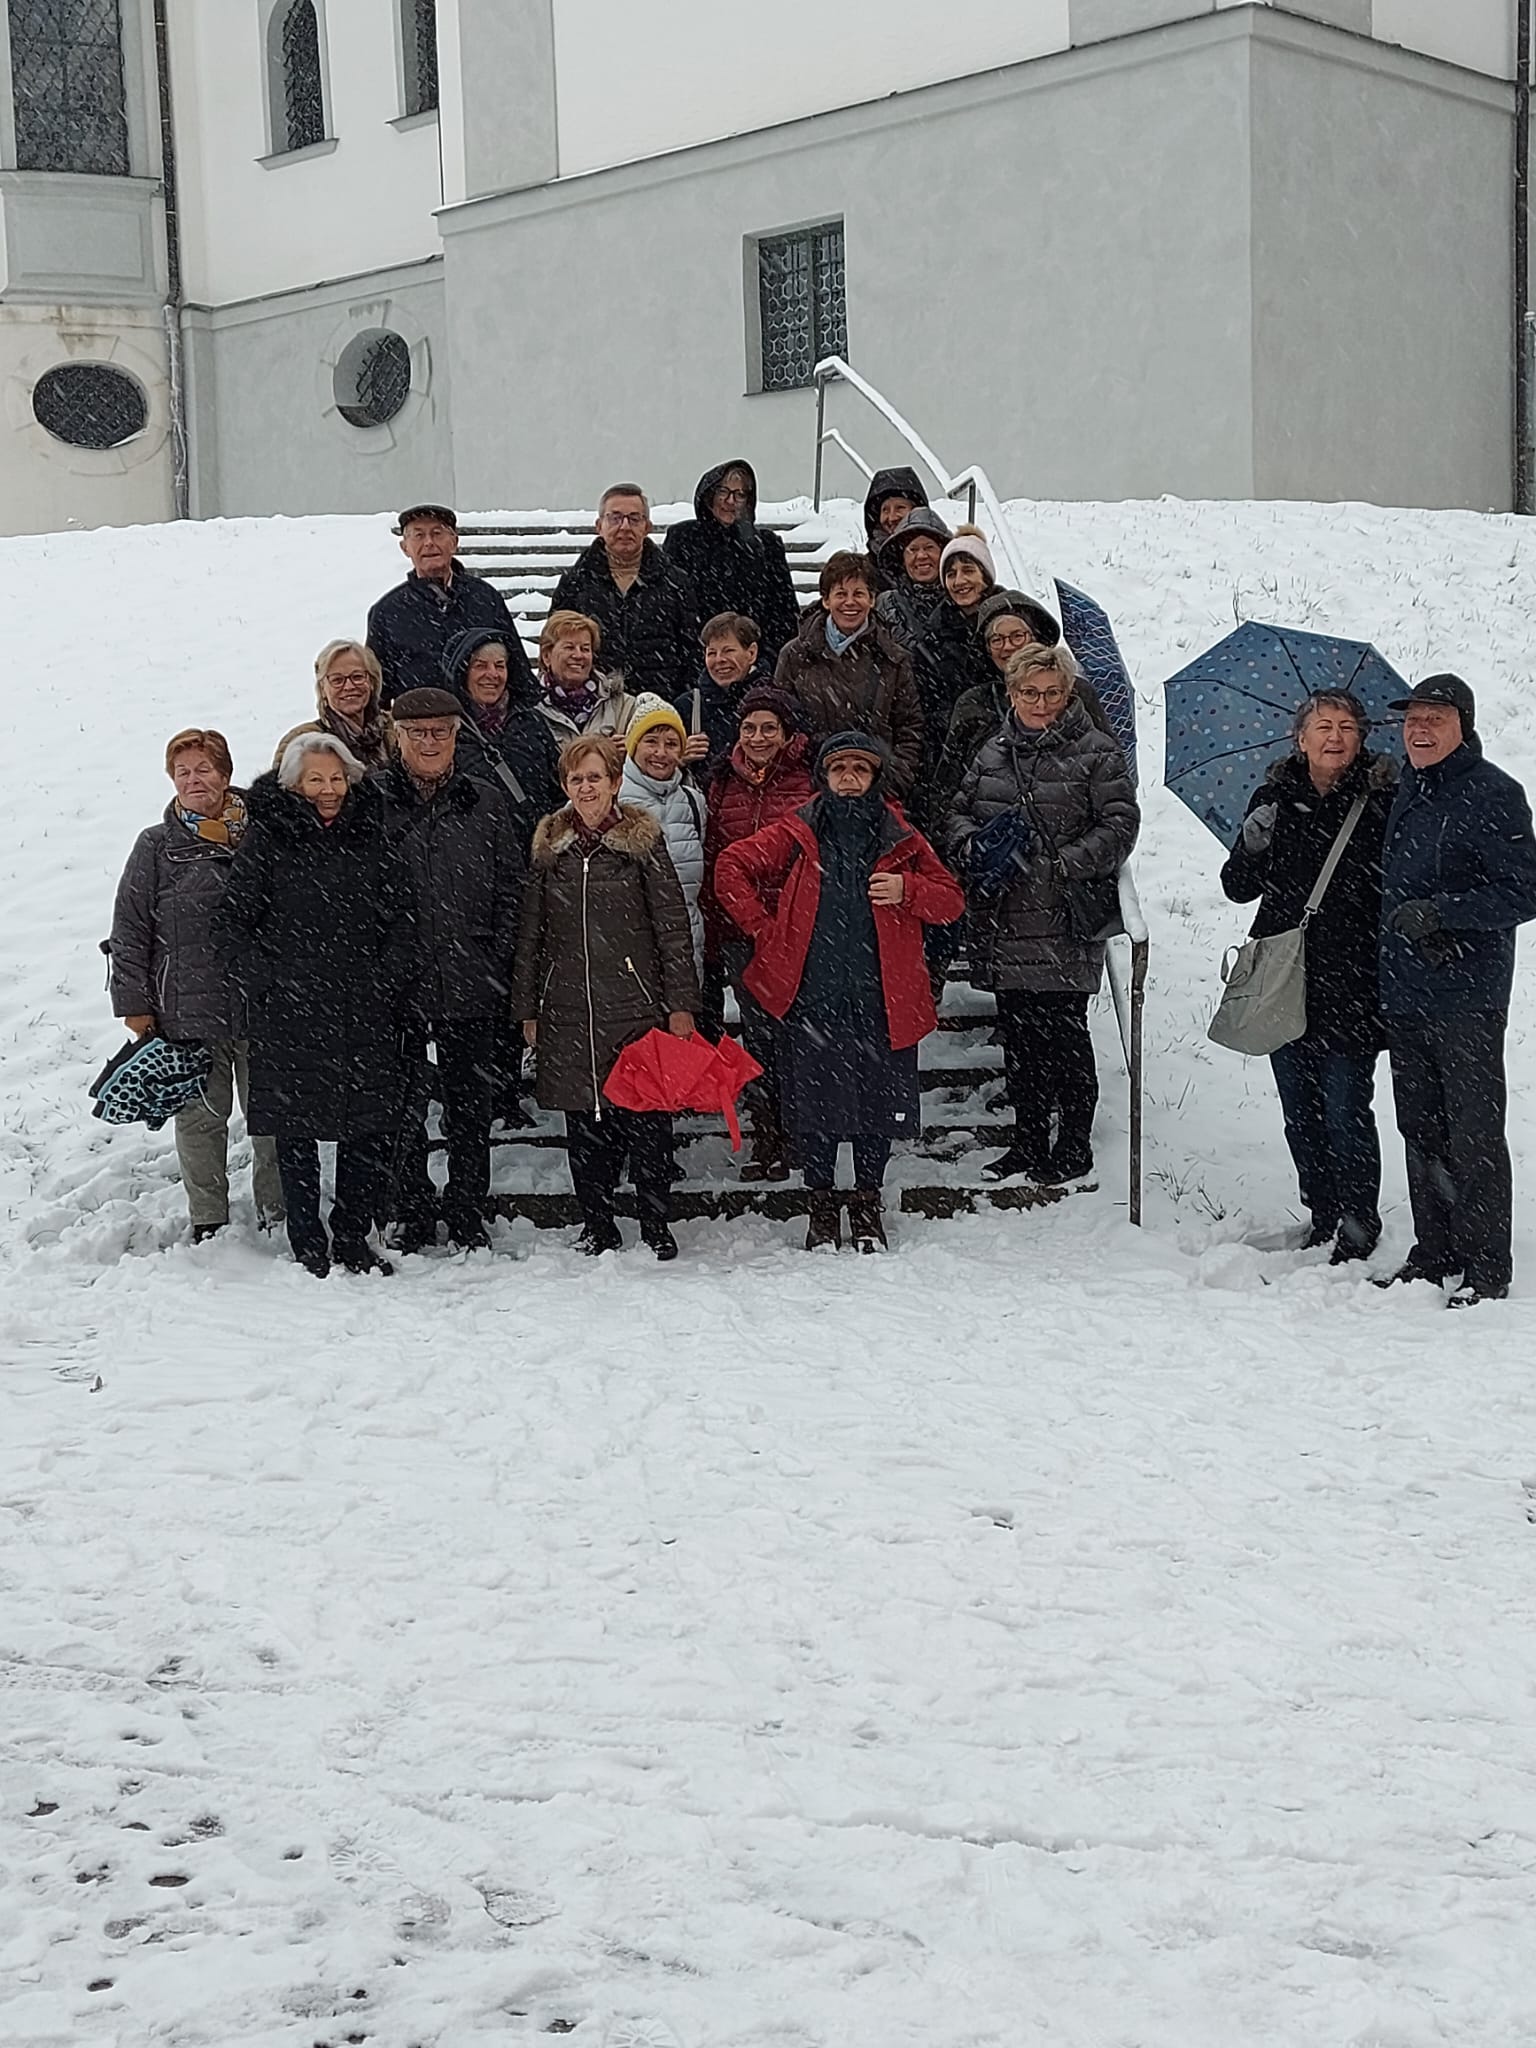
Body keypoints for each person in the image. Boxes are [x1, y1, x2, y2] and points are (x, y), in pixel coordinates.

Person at [713, 732, 964, 1252]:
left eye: (860, 769)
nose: (849, 777)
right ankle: (821, 1205)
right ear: (823, 776)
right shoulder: (799, 827)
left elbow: (950, 901)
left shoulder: (901, 834)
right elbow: (730, 867)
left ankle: (868, 1202)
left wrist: (909, 890)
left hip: (881, 998)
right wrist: (765, 930)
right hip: (814, 996)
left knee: (878, 1109)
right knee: (814, 1110)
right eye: (839, 768)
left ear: (875, 777)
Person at [214, 733, 414, 1279]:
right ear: (294, 785)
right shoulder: (268, 840)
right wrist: (267, 982)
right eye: (316, 779)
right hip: (290, 1013)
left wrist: (385, 980)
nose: (329, 789)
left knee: (364, 1130)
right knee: (296, 1133)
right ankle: (307, 1241)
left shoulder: (372, 834)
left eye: (337, 778)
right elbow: (231, 924)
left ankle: (351, 1237)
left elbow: (402, 919)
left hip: (362, 1008)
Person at [947, 643, 1139, 1186]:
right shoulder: (992, 752)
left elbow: (1120, 823)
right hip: (1005, 915)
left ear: (1068, 693)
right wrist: (974, 847)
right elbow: (957, 812)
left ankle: (1074, 1143)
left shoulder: (1097, 751)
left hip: (1064, 919)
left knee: (1065, 1037)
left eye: (1052, 693)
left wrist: (1063, 865)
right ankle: (1027, 1140)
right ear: (1012, 693)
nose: (1041, 703)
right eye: (1029, 692)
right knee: (1020, 1041)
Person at [1375, 674, 1536, 1305]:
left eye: (1434, 719)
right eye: (1412, 719)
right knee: (1420, 1129)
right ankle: (1434, 1251)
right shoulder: (1404, 786)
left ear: (1462, 727)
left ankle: (1487, 1268)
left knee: (1473, 1134)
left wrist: (1443, 913)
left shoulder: (1494, 792)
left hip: (1467, 996)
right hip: (1405, 991)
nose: (1419, 730)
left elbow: (1523, 891)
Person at [1220, 692, 1395, 1262]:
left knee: (1346, 1109)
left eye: (1347, 727)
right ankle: (1323, 1212)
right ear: (1300, 738)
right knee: (1300, 1111)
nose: (1334, 737)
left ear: (1362, 738)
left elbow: (1391, 888)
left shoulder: (1382, 801)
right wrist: (1252, 845)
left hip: (1353, 980)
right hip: (1284, 977)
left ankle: (1359, 1223)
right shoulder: (1273, 798)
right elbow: (1237, 888)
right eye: (1323, 726)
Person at [511, 734, 701, 1260]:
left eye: (595, 777)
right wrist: (528, 1006)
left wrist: (680, 1004)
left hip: (636, 1007)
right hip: (569, 1008)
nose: (586, 787)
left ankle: (655, 1223)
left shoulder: (643, 843)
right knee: (585, 1124)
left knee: (647, 1124)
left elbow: (672, 927)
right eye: (577, 779)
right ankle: (597, 1223)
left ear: (615, 782)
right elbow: (531, 933)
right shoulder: (550, 848)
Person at [109, 728, 283, 1240]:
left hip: (264, 1002)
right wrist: (134, 1003)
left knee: (272, 1118)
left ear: (225, 774)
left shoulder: (266, 832)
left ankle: (278, 1209)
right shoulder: (156, 846)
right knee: (201, 1117)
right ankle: (208, 1216)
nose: (193, 780)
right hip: (187, 1010)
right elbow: (130, 929)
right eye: (182, 772)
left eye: (203, 769)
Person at [377, 687, 524, 1254]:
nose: (429, 741)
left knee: (470, 1109)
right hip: (401, 982)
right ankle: (411, 1207)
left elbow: (510, 887)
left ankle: (467, 1209)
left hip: (471, 977)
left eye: (440, 731)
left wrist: (496, 957)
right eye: (417, 732)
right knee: (404, 1106)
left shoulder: (485, 801)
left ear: (458, 735)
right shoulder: (373, 802)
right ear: (398, 737)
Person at [702, 686, 815, 1179]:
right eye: (749, 728)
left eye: (769, 728)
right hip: (740, 930)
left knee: (795, 1033)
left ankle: (798, 1131)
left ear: (787, 734)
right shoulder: (722, 780)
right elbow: (713, 852)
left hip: (796, 929)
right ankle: (767, 1130)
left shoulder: (808, 780)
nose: (758, 737)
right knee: (759, 1034)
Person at [932, 590, 1112, 816]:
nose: (1007, 646)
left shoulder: (1075, 693)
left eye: (1017, 636)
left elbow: (1110, 777)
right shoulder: (972, 703)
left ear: (1035, 637)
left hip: (1071, 823)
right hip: (991, 829)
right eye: (996, 639)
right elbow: (948, 787)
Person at [773, 551, 924, 801]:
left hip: (877, 789)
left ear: (872, 599)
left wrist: (894, 779)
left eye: (859, 594)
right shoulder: (795, 655)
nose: (850, 602)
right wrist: (803, 781)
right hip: (809, 790)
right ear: (826, 600)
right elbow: (782, 721)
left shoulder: (893, 658)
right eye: (841, 594)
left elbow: (909, 727)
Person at [366, 503, 535, 709]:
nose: (429, 543)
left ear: (454, 543)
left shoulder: (485, 598)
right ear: (405, 548)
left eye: (437, 533)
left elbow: (519, 674)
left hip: (483, 722)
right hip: (422, 724)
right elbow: (377, 692)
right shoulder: (387, 611)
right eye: (418, 535)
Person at [548, 483, 697, 699]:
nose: (625, 527)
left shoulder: (675, 583)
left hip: (660, 704)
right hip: (592, 704)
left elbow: (692, 651)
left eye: (634, 519)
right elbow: (555, 645)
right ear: (599, 525)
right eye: (615, 518)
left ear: (647, 527)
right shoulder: (576, 583)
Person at [661, 459, 800, 664]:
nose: (730, 501)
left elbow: (784, 613)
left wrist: (762, 661)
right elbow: (671, 608)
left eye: (740, 494)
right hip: (697, 659)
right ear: (709, 494)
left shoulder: (766, 545)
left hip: (754, 660)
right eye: (723, 492)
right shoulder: (683, 539)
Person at [441, 627, 563, 856]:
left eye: (500, 665)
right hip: (471, 857)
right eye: (480, 666)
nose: (492, 674)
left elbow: (559, 788)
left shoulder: (531, 722)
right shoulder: (446, 731)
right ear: (462, 672)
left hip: (534, 855)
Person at [620, 695, 707, 973]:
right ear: (633, 745)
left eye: (671, 744)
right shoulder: (608, 799)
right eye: (651, 741)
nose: (661, 753)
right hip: (627, 952)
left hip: (686, 948)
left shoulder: (694, 801)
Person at [913, 526, 999, 764]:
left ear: (985, 576)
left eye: (968, 570)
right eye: (951, 574)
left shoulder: (1013, 623)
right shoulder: (932, 640)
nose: (959, 581)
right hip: (953, 748)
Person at [674, 612, 773, 778]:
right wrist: (678, 759)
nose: (719, 659)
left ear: (751, 653)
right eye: (712, 653)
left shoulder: (776, 701)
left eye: (728, 651)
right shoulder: (687, 706)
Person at [275, 641, 394, 773]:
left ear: (372, 682)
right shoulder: (303, 741)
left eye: (357, 677)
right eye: (337, 680)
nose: (349, 686)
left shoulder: (398, 730)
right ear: (323, 689)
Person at [532, 609, 638, 743]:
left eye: (585, 649)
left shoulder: (623, 706)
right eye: (569, 647)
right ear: (546, 656)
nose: (578, 655)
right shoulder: (530, 707)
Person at [873, 507, 953, 647]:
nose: (921, 556)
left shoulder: (961, 600)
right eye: (913, 549)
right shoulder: (886, 605)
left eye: (929, 547)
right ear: (902, 559)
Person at [861, 465, 931, 589]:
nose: (892, 517)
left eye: (900, 508)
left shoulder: (934, 558)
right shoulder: (866, 568)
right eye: (885, 510)